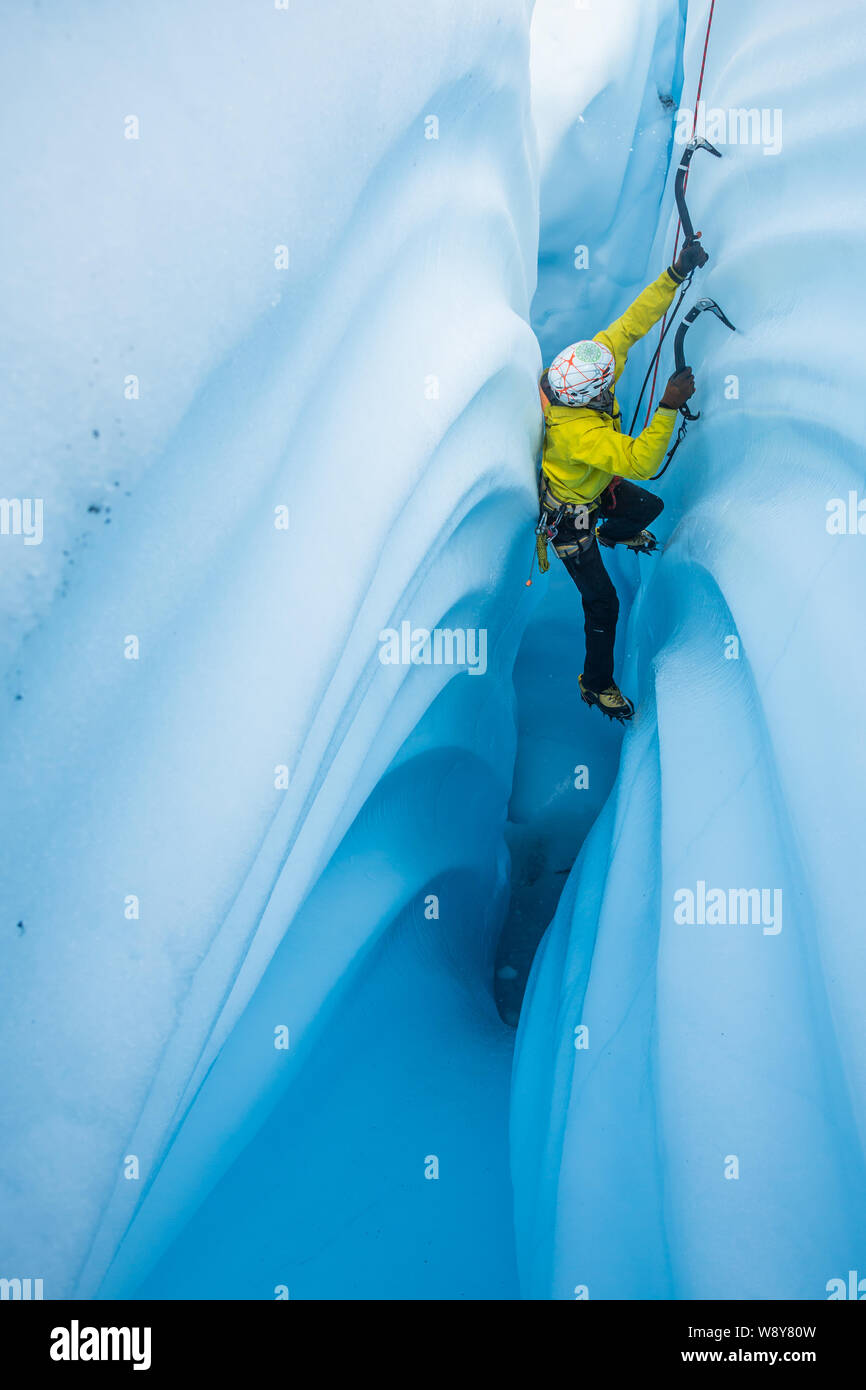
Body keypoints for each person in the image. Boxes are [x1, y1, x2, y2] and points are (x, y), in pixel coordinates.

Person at [538, 238, 709, 721]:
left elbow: (633, 323)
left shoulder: (586, 370)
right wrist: (669, 405)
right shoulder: (578, 433)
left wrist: (675, 273)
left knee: (647, 510)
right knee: (604, 603)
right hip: (569, 522)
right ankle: (595, 685)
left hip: (594, 490)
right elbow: (640, 461)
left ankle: (613, 533)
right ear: (592, 394)